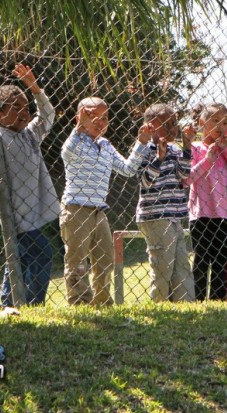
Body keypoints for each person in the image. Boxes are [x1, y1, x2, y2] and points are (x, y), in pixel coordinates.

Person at [0, 64, 59, 309]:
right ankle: (33, 302)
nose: (24, 112)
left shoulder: (30, 135)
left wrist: (34, 88)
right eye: (16, 107)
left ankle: (8, 303)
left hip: (32, 210)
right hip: (14, 214)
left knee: (18, 259)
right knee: (42, 253)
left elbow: (47, 115)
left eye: (26, 107)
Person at [61, 97, 150, 305]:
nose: (100, 123)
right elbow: (66, 153)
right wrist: (79, 129)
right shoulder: (76, 143)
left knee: (104, 258)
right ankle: (79, 300)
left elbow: (127, 169)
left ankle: (101, 300)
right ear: (80, 118)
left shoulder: (106, 146)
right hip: (76, 208)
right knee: (77, 259)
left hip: (99, 211)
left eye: (105, 118)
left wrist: (141, 143)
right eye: (93, 117)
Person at [136, 103, 194, 302]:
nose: (174, 128)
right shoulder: (144, 150)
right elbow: (145, 181)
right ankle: (158, 304)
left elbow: (184, 176)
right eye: (167, 124)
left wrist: (187, 148)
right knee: (162, 266)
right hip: (156, 215)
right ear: (150, 126)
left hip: (174, 216)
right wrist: (159, 159)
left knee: (181, 265)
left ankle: (185, 303)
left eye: (174, 123)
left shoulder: (176, 150)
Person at [183, 103, 227, 301]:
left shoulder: (226, 151)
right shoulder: (195, 149)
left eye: (225, 122)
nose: (221, 126)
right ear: (201, 123)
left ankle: (217, 299)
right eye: (215, 121)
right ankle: (197, 298)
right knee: (201, 259)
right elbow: (187, 178)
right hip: (201, 214)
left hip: (224, 214)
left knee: (221, 261)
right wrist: (208, 159)